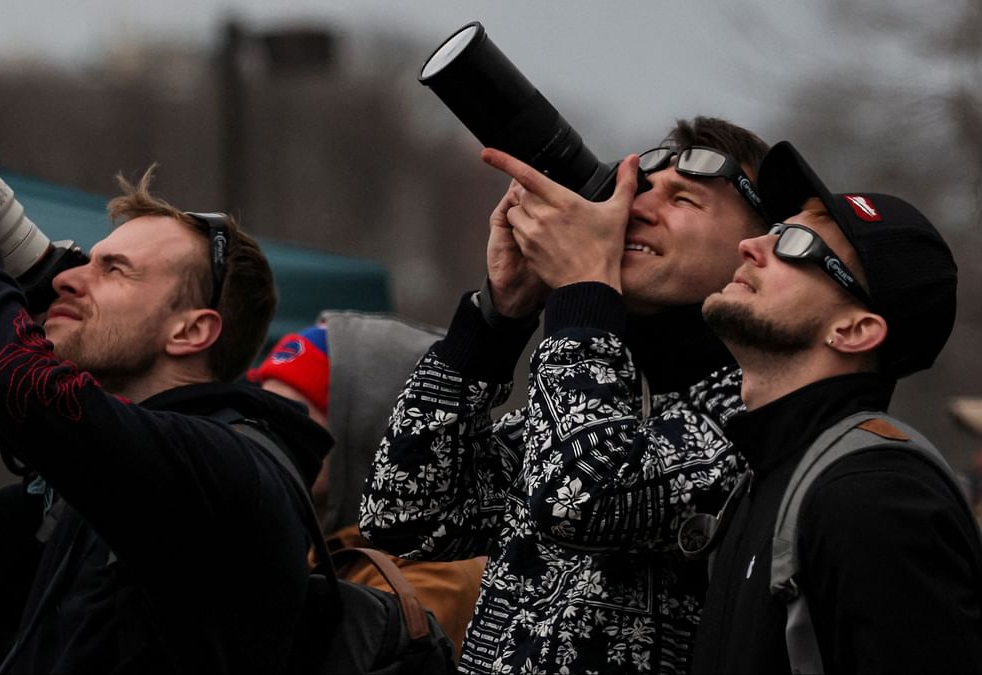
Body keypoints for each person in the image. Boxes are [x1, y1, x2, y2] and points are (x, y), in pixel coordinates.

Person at [0, 118, 334, 673]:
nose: (67, 280)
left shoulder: (223, 467)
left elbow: (15, 390)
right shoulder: (99, 496)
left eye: (114, 271)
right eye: (86, 262)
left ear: (190, 331)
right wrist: (0, 330)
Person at [360, 117, 770, 674]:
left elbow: (580, 498)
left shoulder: (753, 408)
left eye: (684, 200)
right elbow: (403, 515)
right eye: (642, 192)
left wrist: (583, 293)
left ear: (758, 251)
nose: (637, 210)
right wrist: (496, 319)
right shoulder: (609, 393)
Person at [690, 141, 982, 673]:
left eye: (797, 242)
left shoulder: (873, 497)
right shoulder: (761, 476)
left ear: (854, 330)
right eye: (774, 229)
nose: (752, 244)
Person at [248, 313, 487, 660]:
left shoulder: (436, 571)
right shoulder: (326, 546)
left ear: (371, 428)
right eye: (262, 412)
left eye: (293, 415)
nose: (264, 435)